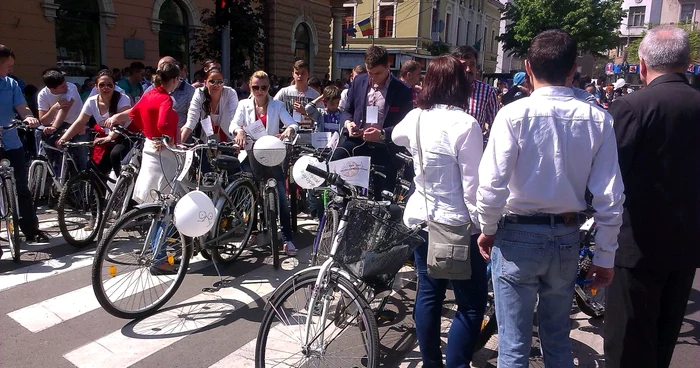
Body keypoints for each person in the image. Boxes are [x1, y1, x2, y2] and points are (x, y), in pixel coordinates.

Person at [476, 29, 625, 368]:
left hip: (517, 235)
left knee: (513, 347)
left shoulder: (512, 115)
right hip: (566, 237)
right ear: (573, 69)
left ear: (527, 67)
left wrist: (487, 227)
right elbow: (610, 197)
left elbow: (490, 186)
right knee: (557, 341)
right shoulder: (598, 119)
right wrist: (605, 255)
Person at [604, 26, 700, 368]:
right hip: (687, 246)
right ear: (688, 63)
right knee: (663, 342)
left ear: (641, 65)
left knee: (627, 345)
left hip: (636, 248)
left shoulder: (631, 106)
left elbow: (610, 179)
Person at [392, 54, 487, 368]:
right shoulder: (465, 124)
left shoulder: (417, 117)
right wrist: (484, 226)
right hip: (457, 224)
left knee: (429, 292)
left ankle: (431, 362)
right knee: (470, 305)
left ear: (428, 83)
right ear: (459, 85)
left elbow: (395, 136)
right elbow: (472, 186)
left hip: (422, 217)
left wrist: (419, 150)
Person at [230, 70, 299, 256]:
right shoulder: (244, 105)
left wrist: (289, 131)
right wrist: (239, 132)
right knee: (251, 193)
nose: (259, 91)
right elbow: (233, 124)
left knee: (282, 197)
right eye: (255, 87)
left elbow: (293, 123)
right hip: (251, 154)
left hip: (273, 154)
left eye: (264, 87)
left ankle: (287, 238)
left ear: (269, 87)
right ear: (250, 87)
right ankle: (252, 230)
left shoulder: (277, 105)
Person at [335, 46, 414, 199]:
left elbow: (406, 124)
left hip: (385, 147)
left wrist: (383, 134)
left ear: (388, 66)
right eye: (370, 72)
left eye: (377, 73)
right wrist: (348, 124)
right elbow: (346, 111)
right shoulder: (359, 80)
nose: (373, 77)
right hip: (358, 141)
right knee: (336, 160)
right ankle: (341, 211)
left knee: (382, 196)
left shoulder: (402, 90)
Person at [0, 45, 47, 249]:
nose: (11, 69)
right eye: (8, 65)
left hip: (11, 140)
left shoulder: (11, 84)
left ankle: (30, 229)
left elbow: (21, 106)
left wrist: (28, 117)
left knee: (21, 186)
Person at [58, 69, 133, 176]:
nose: (105, 88)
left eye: (109, 85)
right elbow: (80, 122)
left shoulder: (122, 98)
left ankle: (122, 187)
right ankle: (101, 191)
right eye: (102, 85)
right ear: (96, 87)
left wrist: (109, 138)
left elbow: (120, 123)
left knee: (115, 155)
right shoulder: (92, 101)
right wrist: (64, 138)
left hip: (125, 135)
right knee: (94, 169)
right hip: (106, 138)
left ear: (114, 86)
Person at [128, 62, 181, 206]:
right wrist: (167, 136)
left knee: (149, 187)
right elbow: (162, 123)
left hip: (150, 145)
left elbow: (133, 114)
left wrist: (147, 132)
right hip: (164, 149)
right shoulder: (166, 98)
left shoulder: (149, 94)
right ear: (175, 79)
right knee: (173, 184)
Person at [37, 68, 88, 172]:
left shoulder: (71, 88)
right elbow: (43, 120)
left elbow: (64, 111)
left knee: (81, 155)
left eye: (65, 83)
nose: (66, 87)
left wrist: (54, 127)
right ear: (53, 89)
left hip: (76, 122)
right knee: (39, 133)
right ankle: (45, 169)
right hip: (59, 124)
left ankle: (83, 176)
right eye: (62, 86)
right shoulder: (42, 95)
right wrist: (54, 108)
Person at [451, 46, 499, 137]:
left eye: (472, 64)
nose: (468, 69)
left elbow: (495, 126)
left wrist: (483, 143)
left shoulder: (487, 91)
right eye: (464, 65)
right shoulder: (446, 88)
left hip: (473, 148)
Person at [181, 68, 239, 143]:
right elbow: (191, 120)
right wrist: (180, 144)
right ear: (205, 83)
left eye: (220, 82)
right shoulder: (199, 93)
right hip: (207, 139)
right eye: (212, 81)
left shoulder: (230, 93)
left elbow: (234, 117)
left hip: (229, 137)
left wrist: (238, 134)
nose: (216, 85)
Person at [273, 60, 320, 129]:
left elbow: (321, 116)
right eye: (297, 73)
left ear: (308, 74)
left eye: (303, 73)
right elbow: (273, 108)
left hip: (308, 134)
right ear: (293, 74)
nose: (299, 76)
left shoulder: (315, 95)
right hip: (287, 133)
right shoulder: (284, 92)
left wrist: (306, 111)